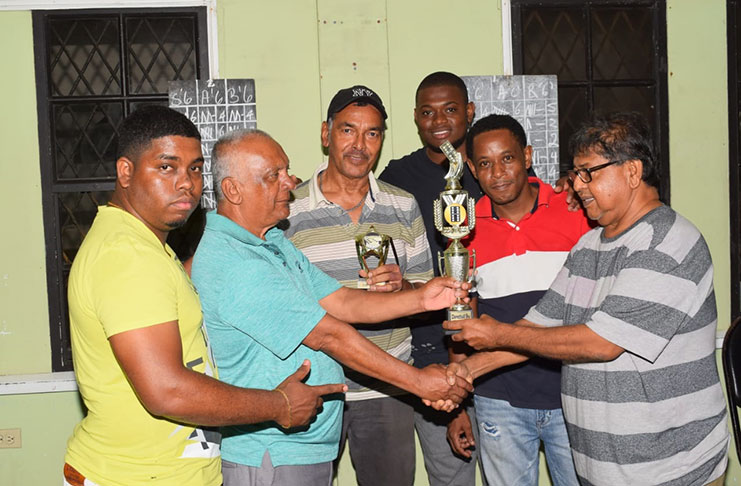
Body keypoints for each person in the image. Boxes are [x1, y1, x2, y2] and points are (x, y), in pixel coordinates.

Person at [63, 105, 347, 486]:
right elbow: (166, 391)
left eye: (195, 168)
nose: (186, 183)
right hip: (130, 476)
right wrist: (277, 404)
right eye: (167, 167)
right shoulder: (126, 255)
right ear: (125, 172)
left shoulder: (149, 246)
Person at [445, 112, 730, 486]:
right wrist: (462, 373)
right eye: (576, 173)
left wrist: (497, 334)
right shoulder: (589, 245)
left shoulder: (666, 242)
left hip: (669, 468)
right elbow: (536, 328)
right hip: (605, 469)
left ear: (632, 172)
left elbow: (601, 342)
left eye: (588, 173)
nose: (577, 186)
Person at [190, 128, 473, 486]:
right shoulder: (234, 260)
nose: (288, 183)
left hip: (301, 447)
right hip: (270, 452)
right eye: (273, 175)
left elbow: (340, 301)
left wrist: (420, 297)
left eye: (286, 170)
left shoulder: (271, 241)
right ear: (233, 190)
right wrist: (419, 383)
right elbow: (329, 335)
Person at [284, 85, 431, 486]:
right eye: (348, 130)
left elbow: (429, 289)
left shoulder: (403, 205)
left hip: (387, 385)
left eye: (372, 133)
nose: (359, 145)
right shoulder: (287, 210)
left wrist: (405, 288)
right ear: (325, 134)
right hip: (313, 386)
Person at [449, 113, 590, 485]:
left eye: (507, 158)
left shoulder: (574, 209)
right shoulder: (463, 227)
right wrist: (458, 403)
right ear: (471, 169)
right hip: (499, 398)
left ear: (527, 156)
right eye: (485, 163)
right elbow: (462, 318)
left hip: (572, 395)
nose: (498, 173)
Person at [378, 71, 485, 486]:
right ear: (416, 118)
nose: (439, 119)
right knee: (452, 475)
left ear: (469, 112)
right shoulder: (396, 177)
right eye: (428, 111)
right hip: (430, 351)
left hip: (500, 355)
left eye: (451, 109)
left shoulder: (490, 169)